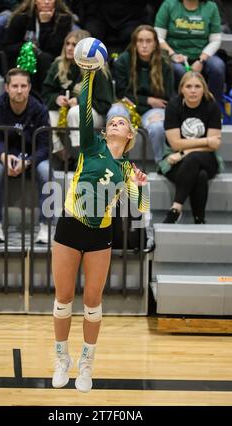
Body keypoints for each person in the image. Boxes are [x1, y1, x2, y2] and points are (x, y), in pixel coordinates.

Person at [51, 68, 150, 393]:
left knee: (92, 301)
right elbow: (85, 104)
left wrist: (141, 187)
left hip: (99, 236)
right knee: (64, 297)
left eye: (120, 122)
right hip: (69, 226)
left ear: (130, 136)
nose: (113, 124)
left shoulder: (128, 168)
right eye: (111, 122)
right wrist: (88, 73)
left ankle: (86, 363)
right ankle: (61, 357)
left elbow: (142, 209)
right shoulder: (91, 145)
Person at [0, 68, 50, 243]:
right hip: (4, 157)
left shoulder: (40, 110)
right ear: (7, 88)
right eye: (15, 86)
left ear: (29, 87)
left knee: (46, 171)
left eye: (23, 85)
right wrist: (4, 157)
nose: (19, 90)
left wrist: (28, 161)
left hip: (32, 158)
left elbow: (45, 146)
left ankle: (45, 226)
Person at [158, 71, 224, 224]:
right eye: (188, 86)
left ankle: (175, 209)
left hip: (205, 158)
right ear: (182, 89)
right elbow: (175, 144)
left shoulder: (212, 107)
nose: (193, 90)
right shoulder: (173, 106)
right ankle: (199, 219)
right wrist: (206, 141)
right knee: (200, 175)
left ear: (204, 89)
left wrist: (184, 152)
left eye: (197, 86)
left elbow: (214, 145)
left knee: (194, 158)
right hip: (174, 160)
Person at [42, 29, 114, 167]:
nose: (69, 48)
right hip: (63, 110)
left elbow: (105, 103)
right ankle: (64, 156)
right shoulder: (58, 64)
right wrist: (56, 98)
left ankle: (83, 157)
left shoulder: (97, 68)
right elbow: (45, 93)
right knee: (46, 115)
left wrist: (81, 102)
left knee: (77, 111)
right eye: (67, 44)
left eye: (74, 45)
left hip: (94, 114)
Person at [107, 25, 174, 164]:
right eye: (140, 41)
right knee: (116, 112)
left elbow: (165, 97)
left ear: (155, 43)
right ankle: (115, 161)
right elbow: (121, 93)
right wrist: (148, 100)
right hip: (128, 107)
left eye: (148, 41)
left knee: (157, 127)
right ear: (134, 43)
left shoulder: (164, 64)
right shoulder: (123, 61)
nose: (144, 45)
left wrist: (143, 101)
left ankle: (161, 164)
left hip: (152, 110)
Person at [154, 0, 226, 104]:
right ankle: (179, 108)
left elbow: (215, 39)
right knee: (180, 71)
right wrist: (172, 54)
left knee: (218, 67)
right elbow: (158, 36)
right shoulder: (168, 4)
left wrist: (201, 60)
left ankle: (215, 109)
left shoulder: (211, 7)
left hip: (203, 54)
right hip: (175, 54)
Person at [1, 0, 73, 92]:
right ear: (35, 1)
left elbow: (55, 50)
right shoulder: (21, 17)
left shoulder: (63, 18)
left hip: (49, 61)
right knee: (31, 56)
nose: (46, 2)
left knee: (44, 58)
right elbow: (7, 47)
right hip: (22, 60)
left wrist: (45, 25)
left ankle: (44, 96)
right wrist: (27, 47)